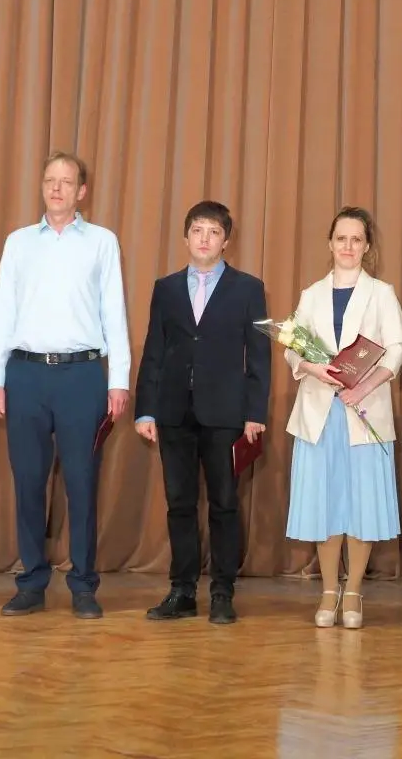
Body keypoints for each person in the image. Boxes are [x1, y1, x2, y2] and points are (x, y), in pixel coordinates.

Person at [0, 151, 131, 620]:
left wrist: (118, 381)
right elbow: (2, 311)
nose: (57, 188)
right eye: (50, 180)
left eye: (66, 182)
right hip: (25, 374)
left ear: (81, 191)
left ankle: (84, 585)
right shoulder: (19, 242)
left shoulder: (102, 242)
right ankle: (31, 582)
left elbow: (114, 313)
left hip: (82, 376)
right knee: (28, 481)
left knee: (82, 483)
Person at [133, 200, 270, 624]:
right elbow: (154, 351)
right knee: (179, 502)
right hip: (174, 411)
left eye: (214, 231)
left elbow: (259, 356)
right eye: (197, 230)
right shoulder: (166, 288)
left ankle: (223, 591)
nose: (205, 238)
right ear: (186, 237)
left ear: (226, 240)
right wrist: (145, 410)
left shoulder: (248, 288)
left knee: (224, 503)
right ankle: (182, 590)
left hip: (225, 413)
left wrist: (255, 412)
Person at [284, 206, 402, 629]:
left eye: (356, 239)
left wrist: (363, 387)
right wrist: (311, 367)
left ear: (367, 246)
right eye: (341, 239)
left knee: (361, 505)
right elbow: (292, 346)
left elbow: (397, 348)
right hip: (319, 411)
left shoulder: (382, 293)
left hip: (364, 410)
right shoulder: (311, 294)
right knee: (325, 503)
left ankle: (353, 590)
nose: (348, 246)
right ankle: (327, 590)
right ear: (330, 243)